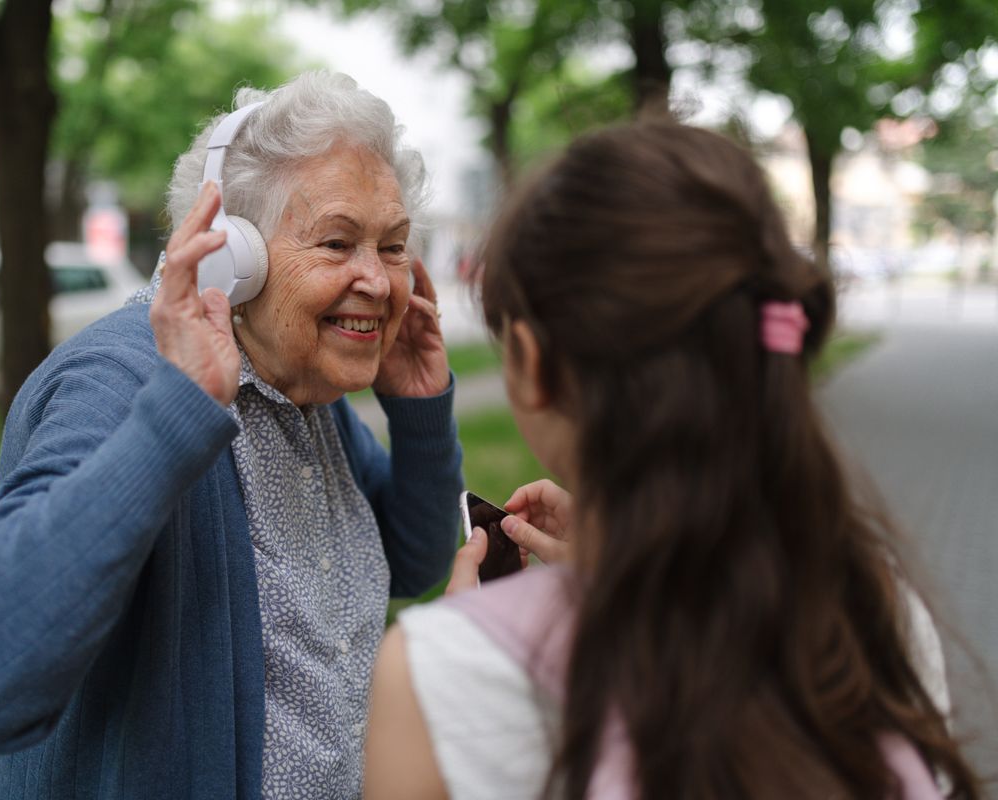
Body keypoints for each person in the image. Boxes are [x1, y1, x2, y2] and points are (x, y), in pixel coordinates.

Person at [364, 123, 982, 798]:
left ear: (533, 361)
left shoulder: (441, 677)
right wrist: (624, 567)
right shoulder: (876, 604)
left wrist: (462, 647)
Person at [0, 71, 463, 799]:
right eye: (337, 242)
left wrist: (421, 414)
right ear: (235, 255)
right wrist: (174, 420)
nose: (379, 282)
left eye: (391, 247)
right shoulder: (120, 381)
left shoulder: (305, 389)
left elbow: (414, 561)